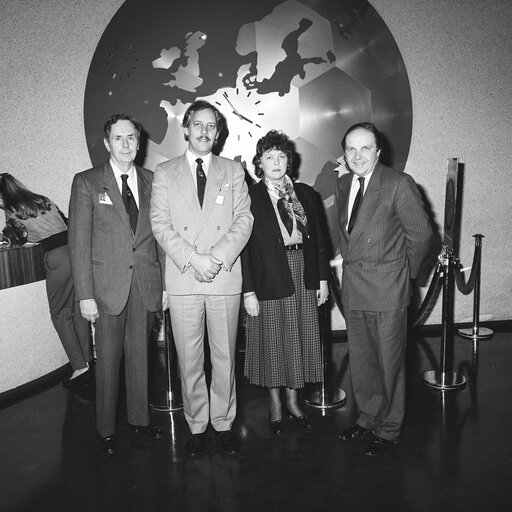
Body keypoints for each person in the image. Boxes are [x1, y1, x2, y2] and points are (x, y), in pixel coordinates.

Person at [150, 100, 253, 457]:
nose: (205, 132)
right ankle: (196, 425)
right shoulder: (164, 172)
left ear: (219, 132)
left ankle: (222, 422)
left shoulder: (233, 171)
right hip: (183, 278)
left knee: (224, 357)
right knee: (189, 359)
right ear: (186, 128)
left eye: (212, 126)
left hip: (223, 276)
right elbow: (160, 224)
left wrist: (217, 258)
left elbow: (244, 220)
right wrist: (194, 259)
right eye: (198, 125)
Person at [68, 113, 166, 454]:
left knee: (140, 356)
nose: (126, 144)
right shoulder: (87, 182)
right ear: (107, 143)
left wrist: (164, 286)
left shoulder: (154, 181)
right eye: (119, 138)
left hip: (145, 284)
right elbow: (78, 243)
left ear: (139, 143)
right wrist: (85, 295)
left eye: (132, 138)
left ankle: (140, 421)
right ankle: (106, 429)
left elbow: (161, 239)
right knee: (107, 361)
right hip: (106, 288)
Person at [335, 122, 432, 456]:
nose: (357, 155)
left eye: (365, 148)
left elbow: (420, 236)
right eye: (350, 149)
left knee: (390, 363)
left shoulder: (397, 183)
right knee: (362, 361)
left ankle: (389, 428)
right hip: (355, 289)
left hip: (387, 289)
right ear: (344, 153)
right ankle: (367, 417)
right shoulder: (344, 183)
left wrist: (403, 276)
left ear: (378, 151)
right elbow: (348, 236)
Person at [241, 130, 329, 435]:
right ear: (259, 163)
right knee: (274, 342)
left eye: (281, 156)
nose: (276, 162)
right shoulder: (249, 197)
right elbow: (244, 250)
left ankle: (294, 401)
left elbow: (318, 241)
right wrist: (248, 290)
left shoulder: (305, 194)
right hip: (269, 276)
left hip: (303, 272)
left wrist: (322, 280)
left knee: (300, 340)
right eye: (269, 157)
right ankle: (276, 405)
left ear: (288, 161)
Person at [0, 173, 92, 387]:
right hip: (75, 250)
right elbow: (65, 223)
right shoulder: (42, 200)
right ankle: (88, 360)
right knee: (78, 309)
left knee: (60, 314)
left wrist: (27, 240)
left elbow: (16, 240)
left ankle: (79, 367)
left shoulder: (11, 212)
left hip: (57, 258)